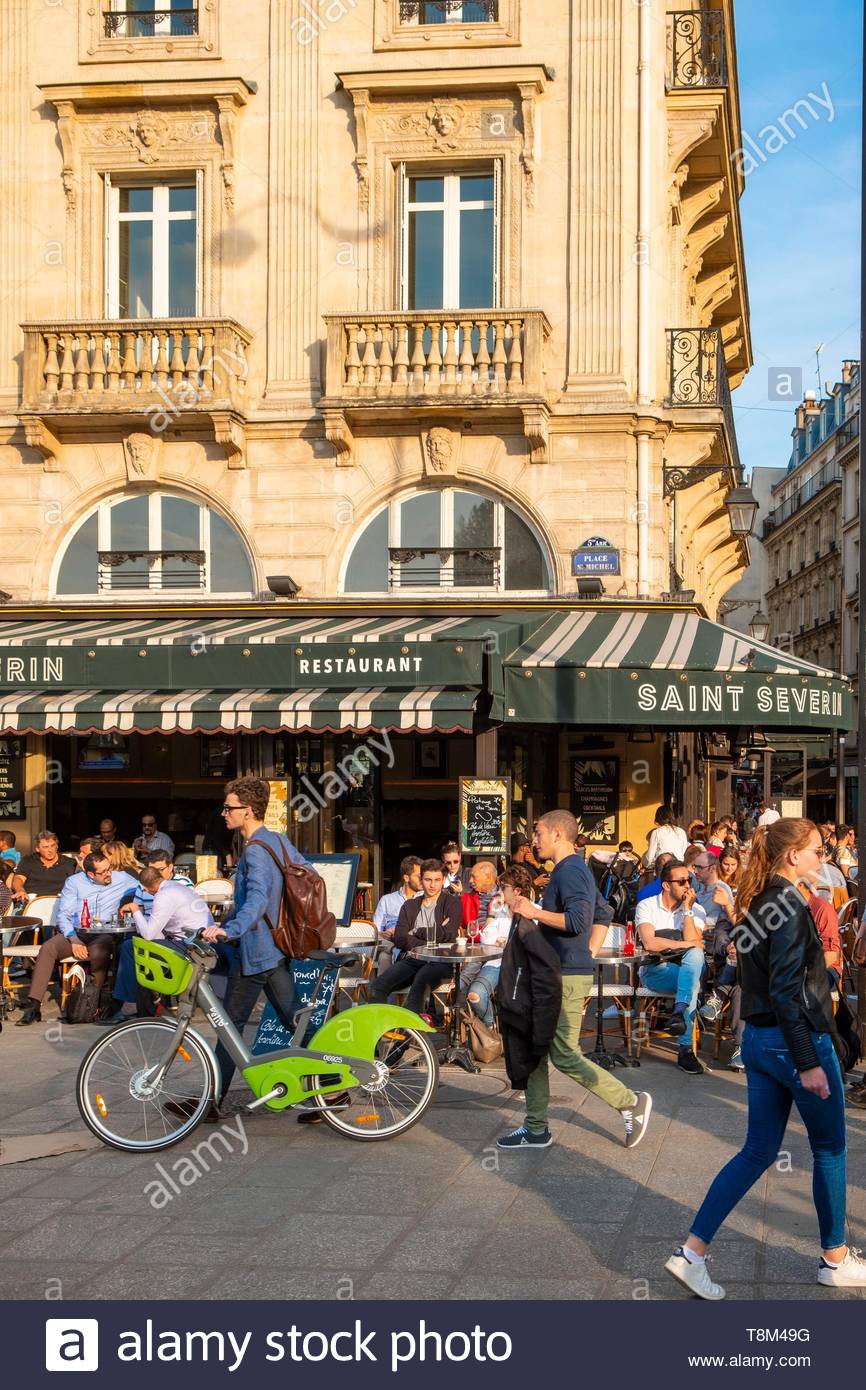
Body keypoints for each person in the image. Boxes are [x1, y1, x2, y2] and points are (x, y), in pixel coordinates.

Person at [665, 818, 866, 1298]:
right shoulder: (791, 908)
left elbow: (749, 972)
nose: (826, 859)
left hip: (757, 1041)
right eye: (818, 850)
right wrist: (809, 1060)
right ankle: (835, 1259)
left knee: (757, 1151)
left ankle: (691, 1253)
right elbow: (785, 989)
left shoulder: (759, 903)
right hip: (795, 1042)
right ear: (793, 855)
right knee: (830, 1150)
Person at [497, 809, 651, 1150]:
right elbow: (603, 912)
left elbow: (578, 920)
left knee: (564, 1054)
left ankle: (630, 1102)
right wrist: (590, 953)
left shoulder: (569, 872)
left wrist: (534, 912)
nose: (533, 840)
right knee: (536, 1048)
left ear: (556, 835)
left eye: (537, 833)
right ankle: (536, 1128)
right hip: (559, 972)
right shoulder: (573, 870)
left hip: (563, 976)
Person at [200, 777, 308, 1120]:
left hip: (257, 951)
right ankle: (333, 1088)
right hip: (274, 949)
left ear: (247, 811)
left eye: (229, 808)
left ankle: (211, 1103)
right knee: (295, 1021)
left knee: (229, 1026)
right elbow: (307, 871)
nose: (223, 813)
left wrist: (229, 929)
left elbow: (259, 898)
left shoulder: (257, 850)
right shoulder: (278, 840)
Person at [15, 850, 139, 1025]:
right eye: (103, 872)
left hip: (104, 933)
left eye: (108, 868)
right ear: (90, 874)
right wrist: (74, 940)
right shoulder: (74, 882)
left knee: (99, 952)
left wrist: (130, 903)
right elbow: (63, 915)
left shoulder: (123, 878)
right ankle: (34, 1007)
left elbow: (146, 888)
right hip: (77, 932)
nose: (108, 874)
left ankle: (92, 1004)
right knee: (48, 948)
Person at [98, 855, 201, 1024]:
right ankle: (141, 1005)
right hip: (178, 937)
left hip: (185, 943)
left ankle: (132, 1006)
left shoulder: (168, 892)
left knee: (132, 948)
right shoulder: (168, 887)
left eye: (160, 869)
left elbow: (150, 932)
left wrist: (135, 910)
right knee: (132, 947)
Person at [635, 859, 708, 1075]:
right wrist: (686, 944)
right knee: (693, 972)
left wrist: (687, 911)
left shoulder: (697, 910)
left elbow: (697, 943)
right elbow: (649, 943)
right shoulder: (647, 905)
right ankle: (684, 1049)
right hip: (657, 971)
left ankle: (678, 1012)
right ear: (666, 885)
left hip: (686, 970)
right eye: (682, 881)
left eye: (690, 880)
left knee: (694, 962)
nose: (688, 885)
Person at [497, 864, 563, 1098]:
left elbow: (544, 970)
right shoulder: (517, 918)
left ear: (516, 891)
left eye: (503, 887)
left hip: (522, 1006)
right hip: (516, 1004)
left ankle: (626, 1101)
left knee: (567, 1059)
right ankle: (534, 1123)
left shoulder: (528, 922)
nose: (500, 893)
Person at [367, 858, 462, 1016]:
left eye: (437, 880)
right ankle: (382, 1029)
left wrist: (417, 931)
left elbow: (450, 934)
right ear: (421, 880)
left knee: (420, 982)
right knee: (377, 986)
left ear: (443, 880)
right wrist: (434, 935)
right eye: (428, 880)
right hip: (412, 959)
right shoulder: (410, 905)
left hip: (440, 961)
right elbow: (400, 938)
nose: (432, 885)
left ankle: (410, 1037)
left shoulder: (452, 903)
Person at [373, 855, 421, 951]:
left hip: (418, 945)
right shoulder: (387, 900)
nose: (422, 880)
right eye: (419, 876)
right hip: (393, 945)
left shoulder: (426, 898)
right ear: (406, 878)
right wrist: (383, 934)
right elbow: (375, 930)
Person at [11, 830, 77, 899]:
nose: (50, 850)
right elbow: (19, 878)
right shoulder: (28, 860)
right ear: (37, 849)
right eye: (45, 847)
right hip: (32, 902)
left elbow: (77, 884)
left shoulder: (69, 863)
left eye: (52, 845)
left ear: (57, 846)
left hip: (59, 902)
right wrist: (20, 890)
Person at [460, 860, 499, 936]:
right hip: (474, 942)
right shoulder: (467, 898)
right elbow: (460, 926)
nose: (470, 880)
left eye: (474, 877)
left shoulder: (505, 897)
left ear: (488, 877)